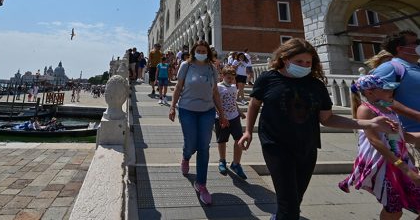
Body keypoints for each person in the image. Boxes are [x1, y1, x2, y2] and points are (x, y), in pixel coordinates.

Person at [238, 38, 399, 220]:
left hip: (307, 147)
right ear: (285, 59)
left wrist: (369, 123)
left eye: (308, 62)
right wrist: (248, 131)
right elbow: (254, 104)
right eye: (299, 62)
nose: (305, 65)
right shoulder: (268, 78)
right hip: (275, 146)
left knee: (295, 199)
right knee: (289, 207)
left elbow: (328, 119)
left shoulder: (316, 85)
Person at [340, 75, 420, 219]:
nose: (391, 92)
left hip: (400, 161)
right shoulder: (365, 110)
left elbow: (403, 136)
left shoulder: (388, 109)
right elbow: (375, 142)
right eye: (386, 89)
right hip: (385, 165)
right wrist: (406, 169)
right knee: (394, 210)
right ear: (370, 92)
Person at [169, 40, 229, 205]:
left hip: (207, 112)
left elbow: (215, 92)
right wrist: (172, 107)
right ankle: (186, 156)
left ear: (208, 53)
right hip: (187, 110)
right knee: (191, 143)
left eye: (204, 51)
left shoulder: (212, 68)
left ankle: (201, 184)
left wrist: (222, 114)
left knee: (204, 146)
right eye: (199, 50)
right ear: (194, 51)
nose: (201, 53)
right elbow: (178, 87)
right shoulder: (185, 66)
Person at [372, 30, 420, 133]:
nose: (418, 45)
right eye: (416, 43)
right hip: (411, 134)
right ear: (400, 48)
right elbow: (379, 99)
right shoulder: (390, 68)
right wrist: (416, 115)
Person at [215, 66, 247, 179]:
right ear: (222, 76)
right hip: (222, 118)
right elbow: (215, 102)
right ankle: (222, 160)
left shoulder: (234, 87)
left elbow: (233, 101)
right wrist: (221, 116)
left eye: (233, 78)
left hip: (234, 117)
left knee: (239, 139)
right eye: (228, 78)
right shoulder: (218, 87)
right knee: (222, 140)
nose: (231, 80)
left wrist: (239, 112)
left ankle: (236, 163)